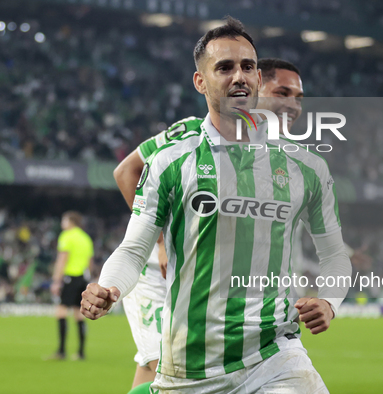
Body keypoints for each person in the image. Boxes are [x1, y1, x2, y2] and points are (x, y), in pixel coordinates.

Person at [83, 18, 351, 393]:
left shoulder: (306, 168)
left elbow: (335, 254)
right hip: (191, 365)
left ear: (258, 79)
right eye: (225, 68)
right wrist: (108, 287)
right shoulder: (172, 161)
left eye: (247, 67)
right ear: (201, 82)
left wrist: (329, 302)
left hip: (275, 355)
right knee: (148, 367)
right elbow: (132, 248)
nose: (239, 76)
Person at [112, 59, 304, 391]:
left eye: (298, 97)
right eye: (281, 92)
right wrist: (160, 242)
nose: (291, 104)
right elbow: (125, 171)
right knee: (166, 365)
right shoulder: (192, 133)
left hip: (213, 277)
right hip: (163, 273)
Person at [48, 211, 94, 360]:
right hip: (83, 278)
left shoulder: (67, 236)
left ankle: (61, 351)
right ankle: (81, 352)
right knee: (79, 314)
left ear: (70, 222)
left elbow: (62, 259)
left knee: (61, 311)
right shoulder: (86, 238)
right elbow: (90, 263)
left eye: (64, 220)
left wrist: (56, 281)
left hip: (70, 277)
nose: (62, 223)